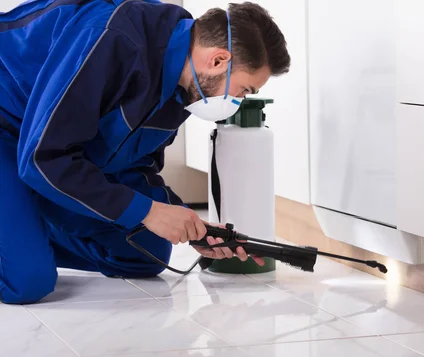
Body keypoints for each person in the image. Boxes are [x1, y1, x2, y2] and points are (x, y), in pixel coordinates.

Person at [0, 0, 291, 304]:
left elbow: (134, 166)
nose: (239, 101)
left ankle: (21, 229)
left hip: (42, 150)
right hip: (11, 131)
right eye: (244, 90)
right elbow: (42, 157)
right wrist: (148, 212)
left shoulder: (182, 88)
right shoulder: (115, 39)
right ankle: (19, 244)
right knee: (28, 281)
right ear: (218, 61)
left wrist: (192, 226)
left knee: (146, 252)